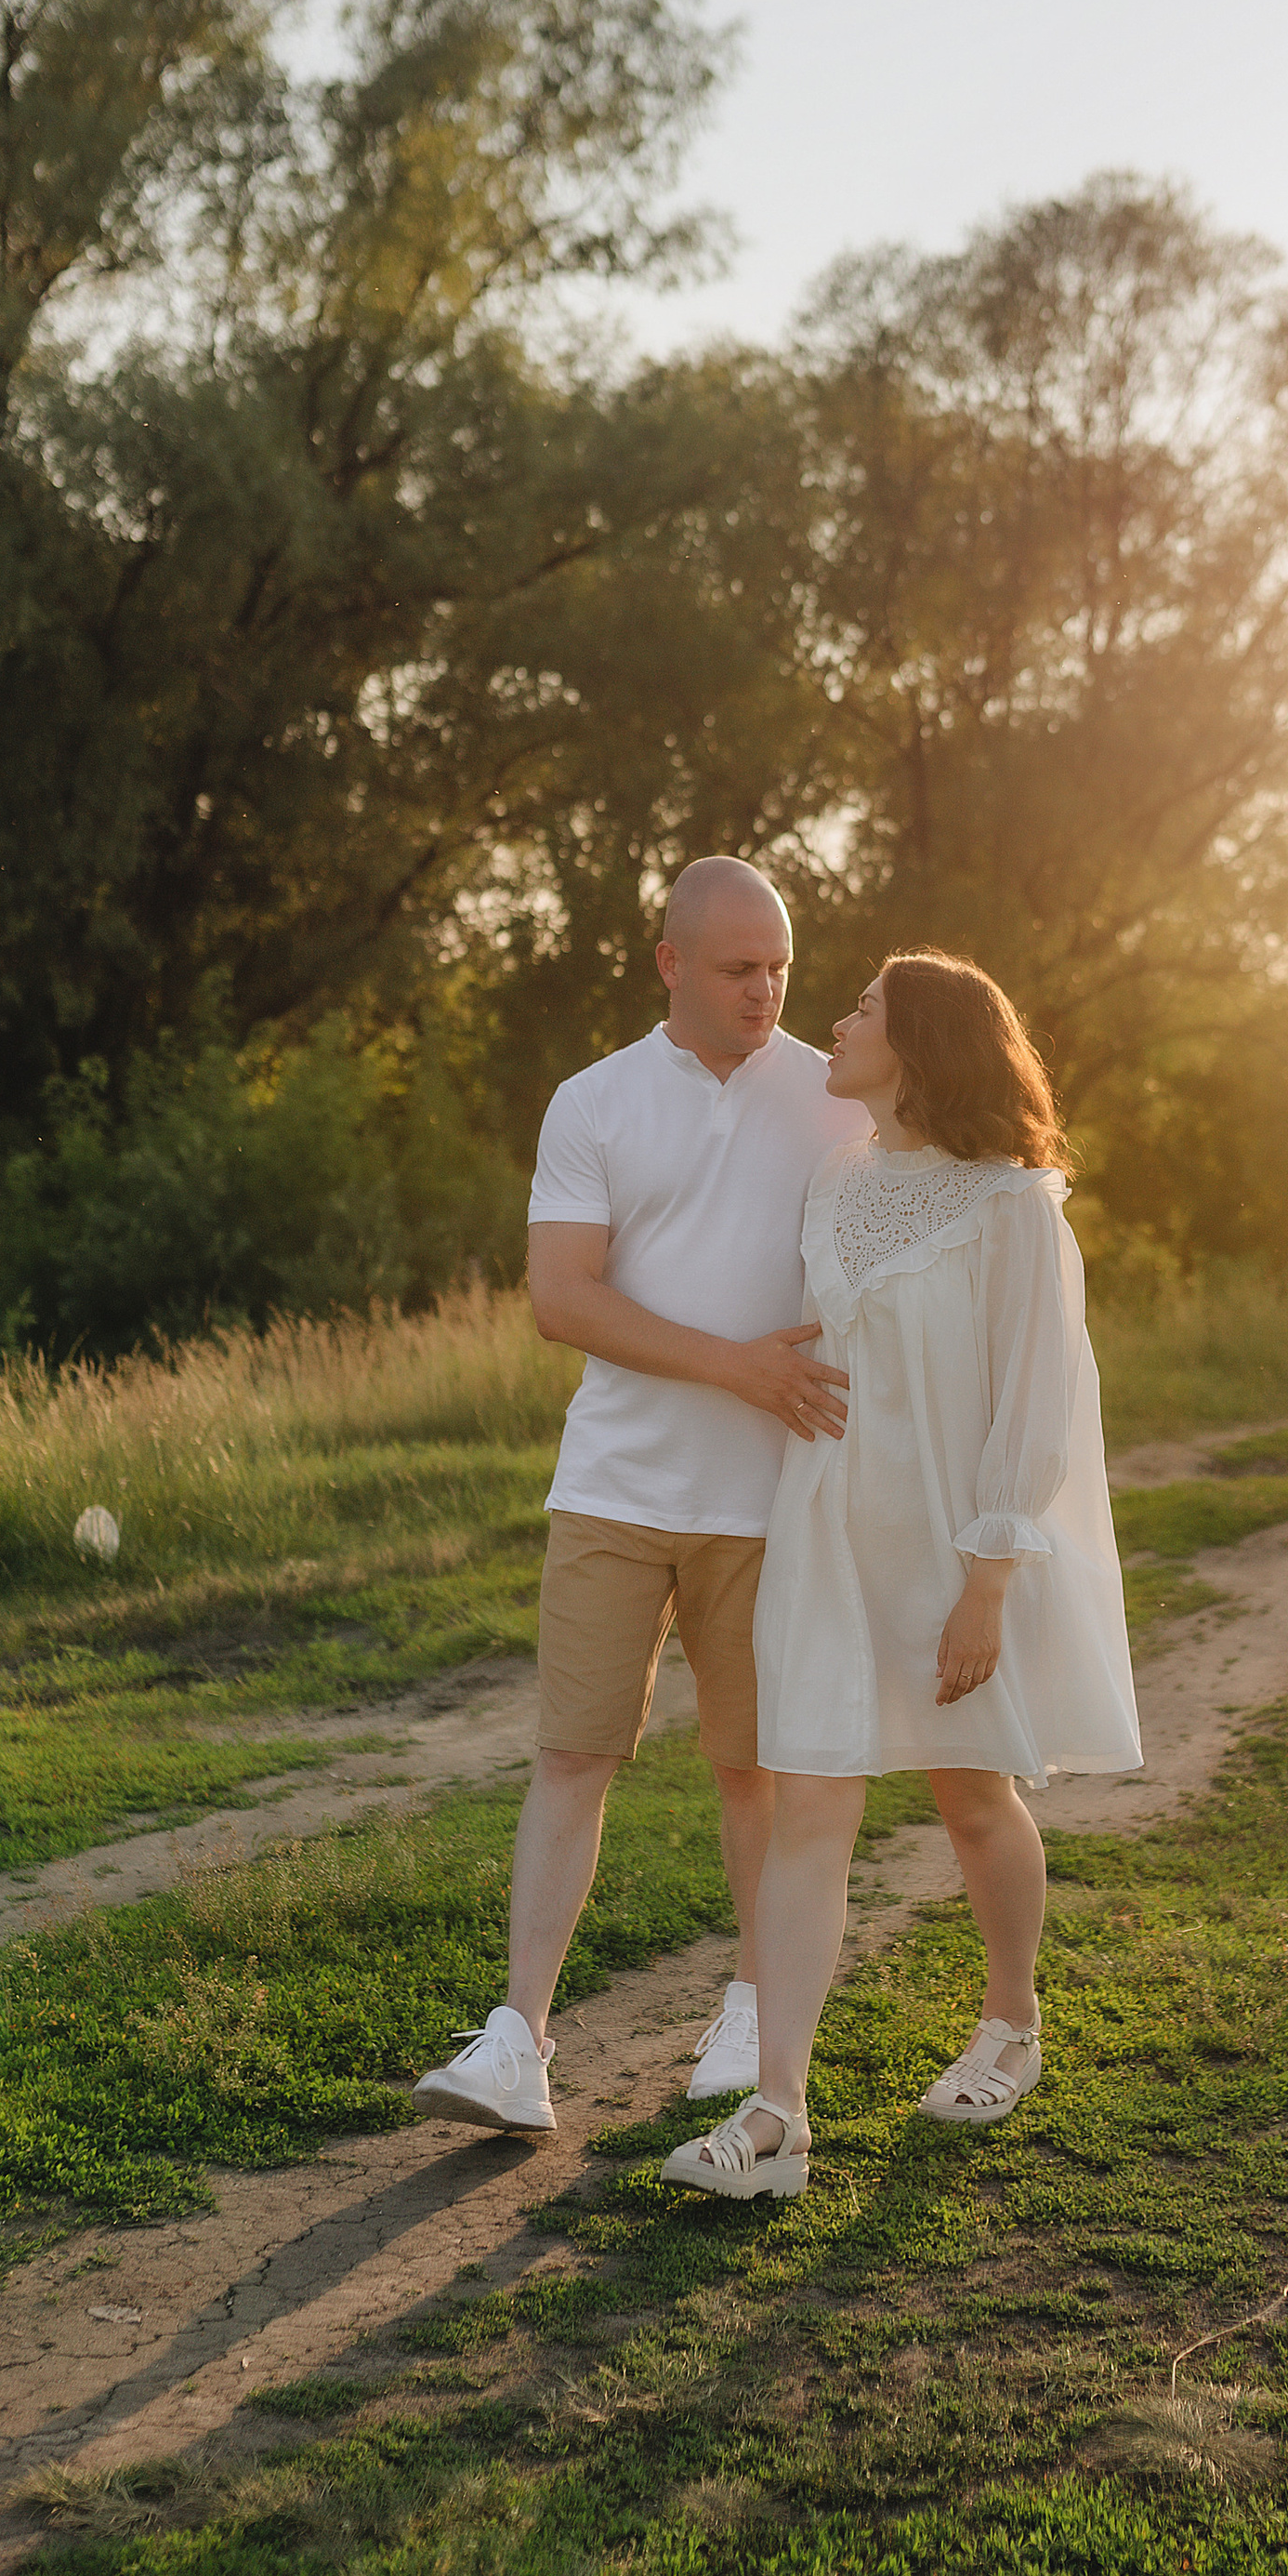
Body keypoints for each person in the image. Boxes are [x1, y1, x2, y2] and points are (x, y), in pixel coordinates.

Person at [660, 949, 1140, 2200]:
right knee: (809, 1809)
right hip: (826, 1534)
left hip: (947, 1545)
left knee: (973, 1795)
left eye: (864, 1009)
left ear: (919, 1043)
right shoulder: (834, 1180)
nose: (838, 1021)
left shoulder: (1013, 1204)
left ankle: (1012, 2025)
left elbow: (1036, 1401)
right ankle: (778, 2119)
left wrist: (986, 1577)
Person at [412, 858, 868, 2133]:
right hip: (613, 1484)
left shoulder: (837, 1104)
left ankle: (751, 2008)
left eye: (780, 964)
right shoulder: (595, 1101)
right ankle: (520, 2041)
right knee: (572, 1751)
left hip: (774, 1499)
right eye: (738, 967)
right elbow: (564, 1297)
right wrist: (738, 1367)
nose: (765, 989)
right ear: (671, 962)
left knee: (750, 1770)